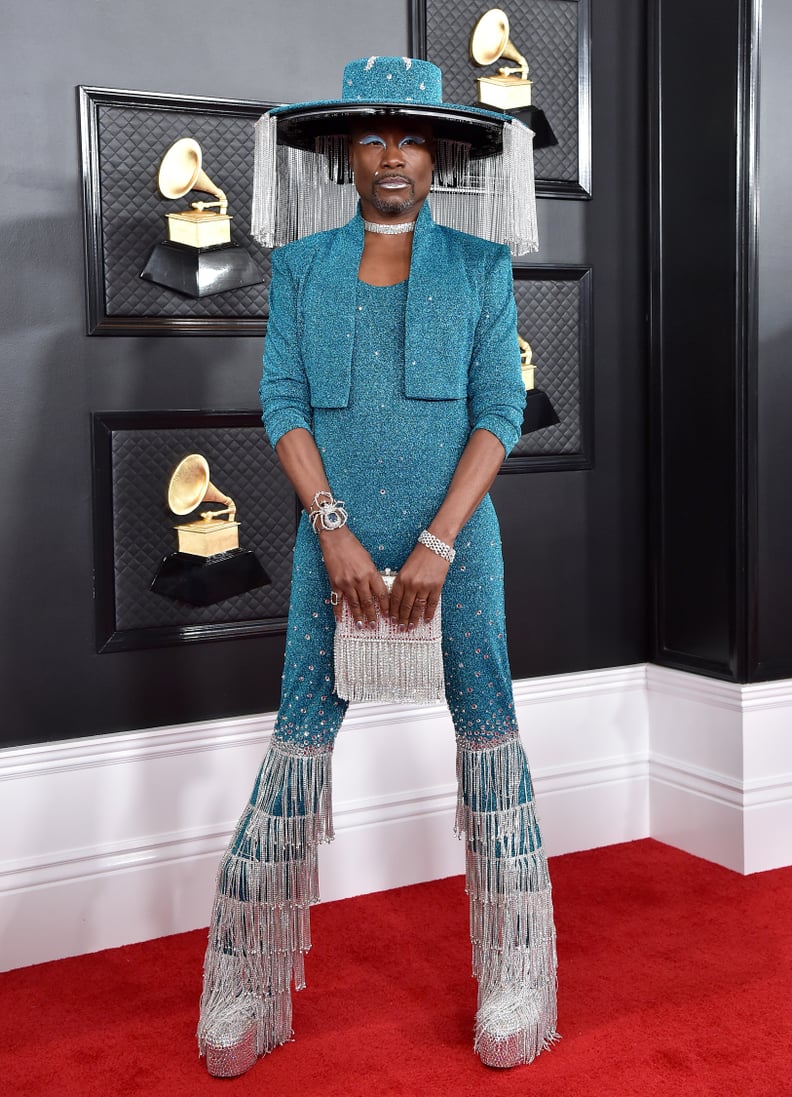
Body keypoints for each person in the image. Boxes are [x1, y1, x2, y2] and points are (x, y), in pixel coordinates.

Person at [196, 55, 558, 1079]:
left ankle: (516, 970)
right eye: (370, 137)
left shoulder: (483, 267)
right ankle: (246, 973)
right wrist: (335, 529)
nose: (391, 156)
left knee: (489, 732)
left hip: (459, 543)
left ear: (438, 152)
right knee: (297, 739)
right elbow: (283, 407)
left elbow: (498, 414)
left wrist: (441, 540)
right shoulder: (304, 267)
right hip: (334, 542)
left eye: (409, 138)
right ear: (345, 154)